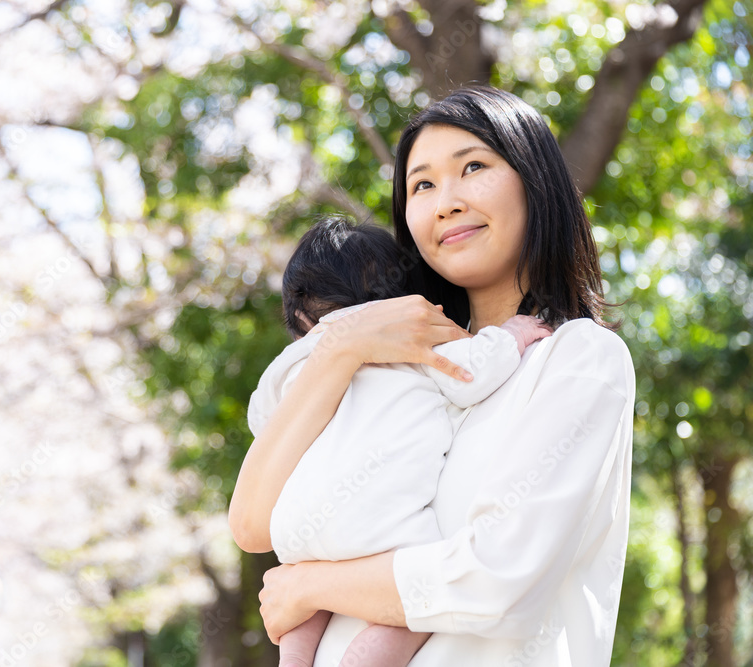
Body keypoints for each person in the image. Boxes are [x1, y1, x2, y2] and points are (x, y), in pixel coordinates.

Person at [229, 85, 635, 667]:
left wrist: (308, 586)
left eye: (473, 167)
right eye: (422, 184)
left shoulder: (578, 358)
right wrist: (343, 347)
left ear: (535, 182)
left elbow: (497, 580)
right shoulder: (384, 371)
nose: (445, 201)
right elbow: (252, 525)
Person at [248, 215, 552, 667]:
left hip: (298, 535)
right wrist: (513, 334)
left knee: (301, 601)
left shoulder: (296, 360)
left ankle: (292, 660)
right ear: (404, 293)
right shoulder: (415, 334)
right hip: (382, 525)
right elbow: (472, 374)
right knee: (420, 596)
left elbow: (263, 421)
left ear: (301, 317)